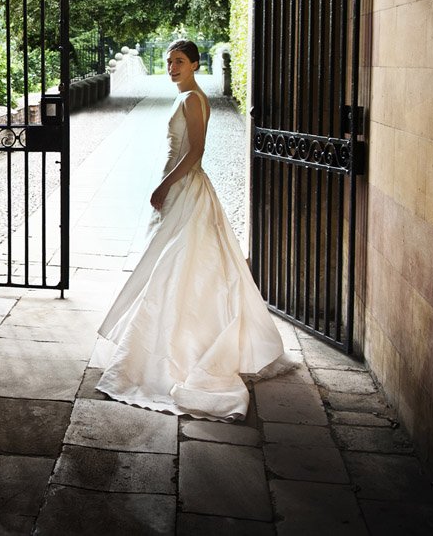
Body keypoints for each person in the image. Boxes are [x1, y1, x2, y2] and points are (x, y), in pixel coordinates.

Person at [94, 39, 293, 421]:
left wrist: (164, 184)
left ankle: (174, 350)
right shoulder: (191, 96)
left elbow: (196, 151)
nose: (172, 68)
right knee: (173, 262)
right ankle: (184, 336)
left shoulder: (190, 99)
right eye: (169, 62)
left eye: (180, 62)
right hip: (184, 186)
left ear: (196, 64)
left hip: (184, 187)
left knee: (173, 263)